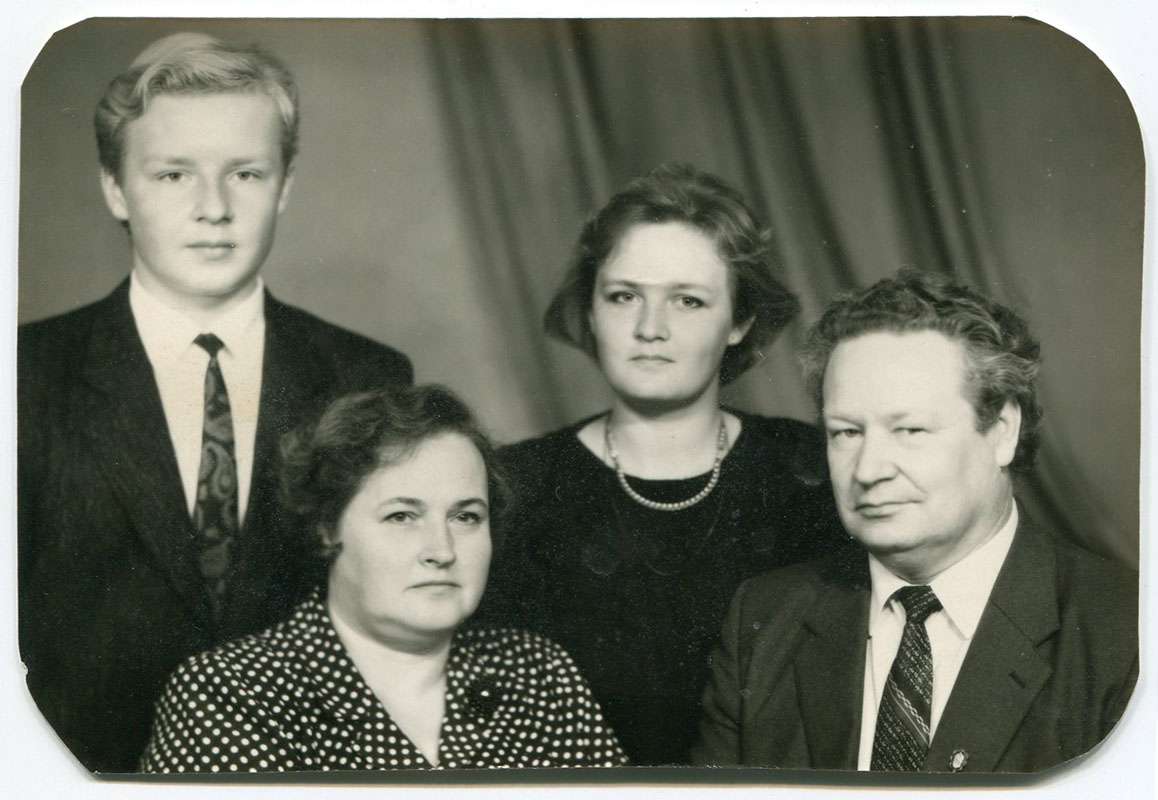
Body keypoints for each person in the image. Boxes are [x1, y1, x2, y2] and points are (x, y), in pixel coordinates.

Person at [18, 32, 412, 772]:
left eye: (246, 173)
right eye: (173, 174)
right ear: (114, 188)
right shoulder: (26, 375)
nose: (214, 208)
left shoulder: (364, 374)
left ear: (284, 186)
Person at [692, 269, 1138, 773]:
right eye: (846, 433)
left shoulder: (1128, 633)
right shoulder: (764, 620)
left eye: (910, 430)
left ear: (1002, 431)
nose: (869, 470)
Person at [475, 162, 846, 765]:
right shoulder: (513, 486)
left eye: (688, 301)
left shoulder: (815, 472)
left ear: (740, 322)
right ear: (590, 311)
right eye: (624, 296)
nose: (650, 328)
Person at [139, 385, 626, 772]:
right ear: (327, 525)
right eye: (401, 517)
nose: (442, 551)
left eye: (466, 517)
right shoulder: (231, 694)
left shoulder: (539, 673)